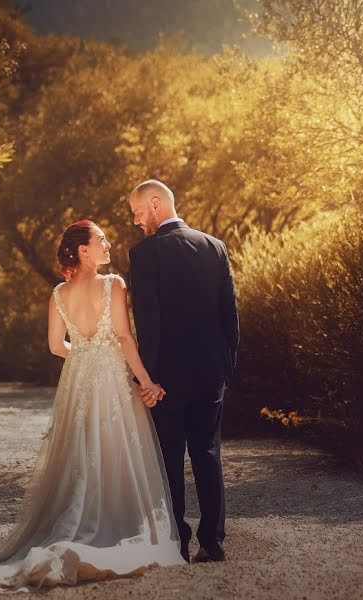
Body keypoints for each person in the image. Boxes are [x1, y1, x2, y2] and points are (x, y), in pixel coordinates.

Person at [0, 219, 185, 594]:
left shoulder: (58, 294)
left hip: (78, 381)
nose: (108, 243)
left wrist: (84, 354)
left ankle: (75, 520)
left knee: (79, 453)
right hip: (111, 381)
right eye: (101, 239)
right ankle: (114, 523)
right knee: (116, 447)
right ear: (84, 250)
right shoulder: (114, 284)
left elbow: (55, 346)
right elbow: (124, 337)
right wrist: (146, 382)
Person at [127, 179, 240, 563]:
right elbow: (230, 312)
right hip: (211, 370)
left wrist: (147, 378)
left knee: (170, 456)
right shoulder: (215, 247)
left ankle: (177, 542)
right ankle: (213, 540)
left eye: (138, 212)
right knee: (208, 452)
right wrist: (227, 364)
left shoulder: (145, 255)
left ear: (156, 205)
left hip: (168, 376)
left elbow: (148, 322)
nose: (137, 221)